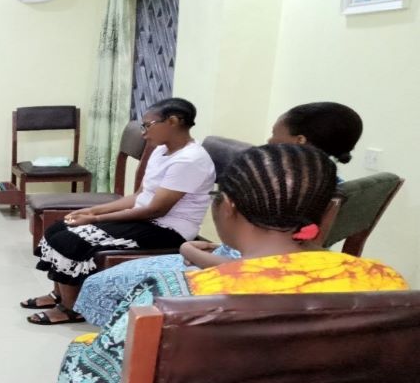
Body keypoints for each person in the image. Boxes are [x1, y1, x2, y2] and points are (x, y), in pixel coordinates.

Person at [24, 144, 407, 383]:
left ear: (228, 208)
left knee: (84, 360)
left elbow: (112, 378)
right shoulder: (384, 283)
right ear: (328, 213)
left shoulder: (177, 292)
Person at [73, 102, 365, 327]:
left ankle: (131, 347)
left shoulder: (284, 189)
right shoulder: (327, 192)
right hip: (233, 257)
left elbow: (262, 270)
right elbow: (287, 250)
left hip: (228, 270)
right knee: (107, 281)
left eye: (275, 133)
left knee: (108, 287)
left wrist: (191, 250)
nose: (268, 139)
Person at [23, 98, 216, 325]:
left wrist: (95, 218)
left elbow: (155, 210)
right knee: (58, 228)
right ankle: (59, 295)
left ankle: (70, 308)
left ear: (173, 121)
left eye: (148, 125)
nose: (144, 133)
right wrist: (92, 210)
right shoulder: (161, 151)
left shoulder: (190, 160)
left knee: (71, 240)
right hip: (147, 219)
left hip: (168, 229)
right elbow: (138, 197)